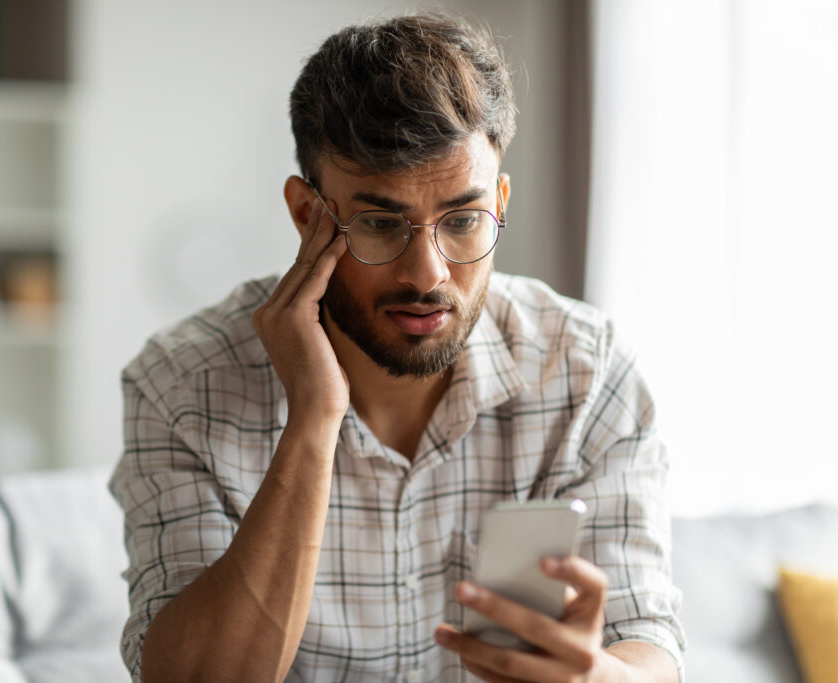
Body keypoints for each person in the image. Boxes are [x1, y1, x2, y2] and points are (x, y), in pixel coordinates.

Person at [110, 11, 685, 683]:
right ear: (307, 214)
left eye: (464, 220)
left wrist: (591, 675)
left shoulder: (587, 372)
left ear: (499, 202)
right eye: (381, 223)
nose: (427, 274)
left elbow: (649, 648)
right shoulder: (183, 383)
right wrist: (314, 419)